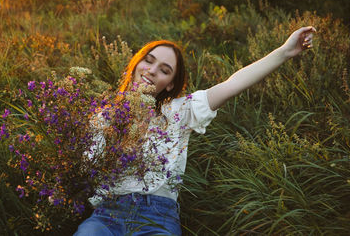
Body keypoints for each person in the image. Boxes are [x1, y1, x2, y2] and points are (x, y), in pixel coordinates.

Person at [73, 26, 316, 235]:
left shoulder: (179, 112)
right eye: (149, 60)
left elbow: (232, 84)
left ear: (169, 85)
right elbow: (84, 171)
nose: (152, 70)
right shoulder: (102, 116)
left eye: (165, 70)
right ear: (136, 63)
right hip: (106, 217)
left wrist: (285, 51)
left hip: (157, 218)